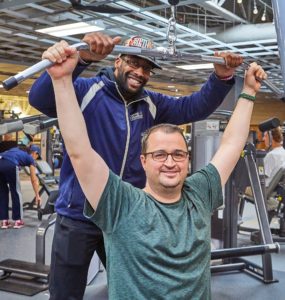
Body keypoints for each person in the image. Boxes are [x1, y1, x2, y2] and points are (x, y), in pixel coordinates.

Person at [29, 33, 243, 299]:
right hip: (78, 215)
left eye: (146, 68)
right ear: (117, 61)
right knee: (65, 293)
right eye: (134, 62)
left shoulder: (150, 102)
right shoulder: (87, 90)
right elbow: (40, 100)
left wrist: (221, 78)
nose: (140, 72)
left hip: (126, 214)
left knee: (139, 286)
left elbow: (193, 108)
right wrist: (82, 60)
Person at [0, 145, 42, 229]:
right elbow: (34, 179)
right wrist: (37, 195)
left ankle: (4, 221)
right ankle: (18, 221)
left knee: (2, 192)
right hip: (10, 165)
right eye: (37, 156)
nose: (36, 159)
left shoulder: (17, 150)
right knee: (16, 191)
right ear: (35, 153)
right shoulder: (30, 158)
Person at [263, 126, 285, 211]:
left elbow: (261, 176)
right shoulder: (283, 152)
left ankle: (236, 218)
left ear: (271, 137)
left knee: (238, 187)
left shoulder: (271, 155)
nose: (263, 138)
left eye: (265, 136)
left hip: (264, 189)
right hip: (275, 189)